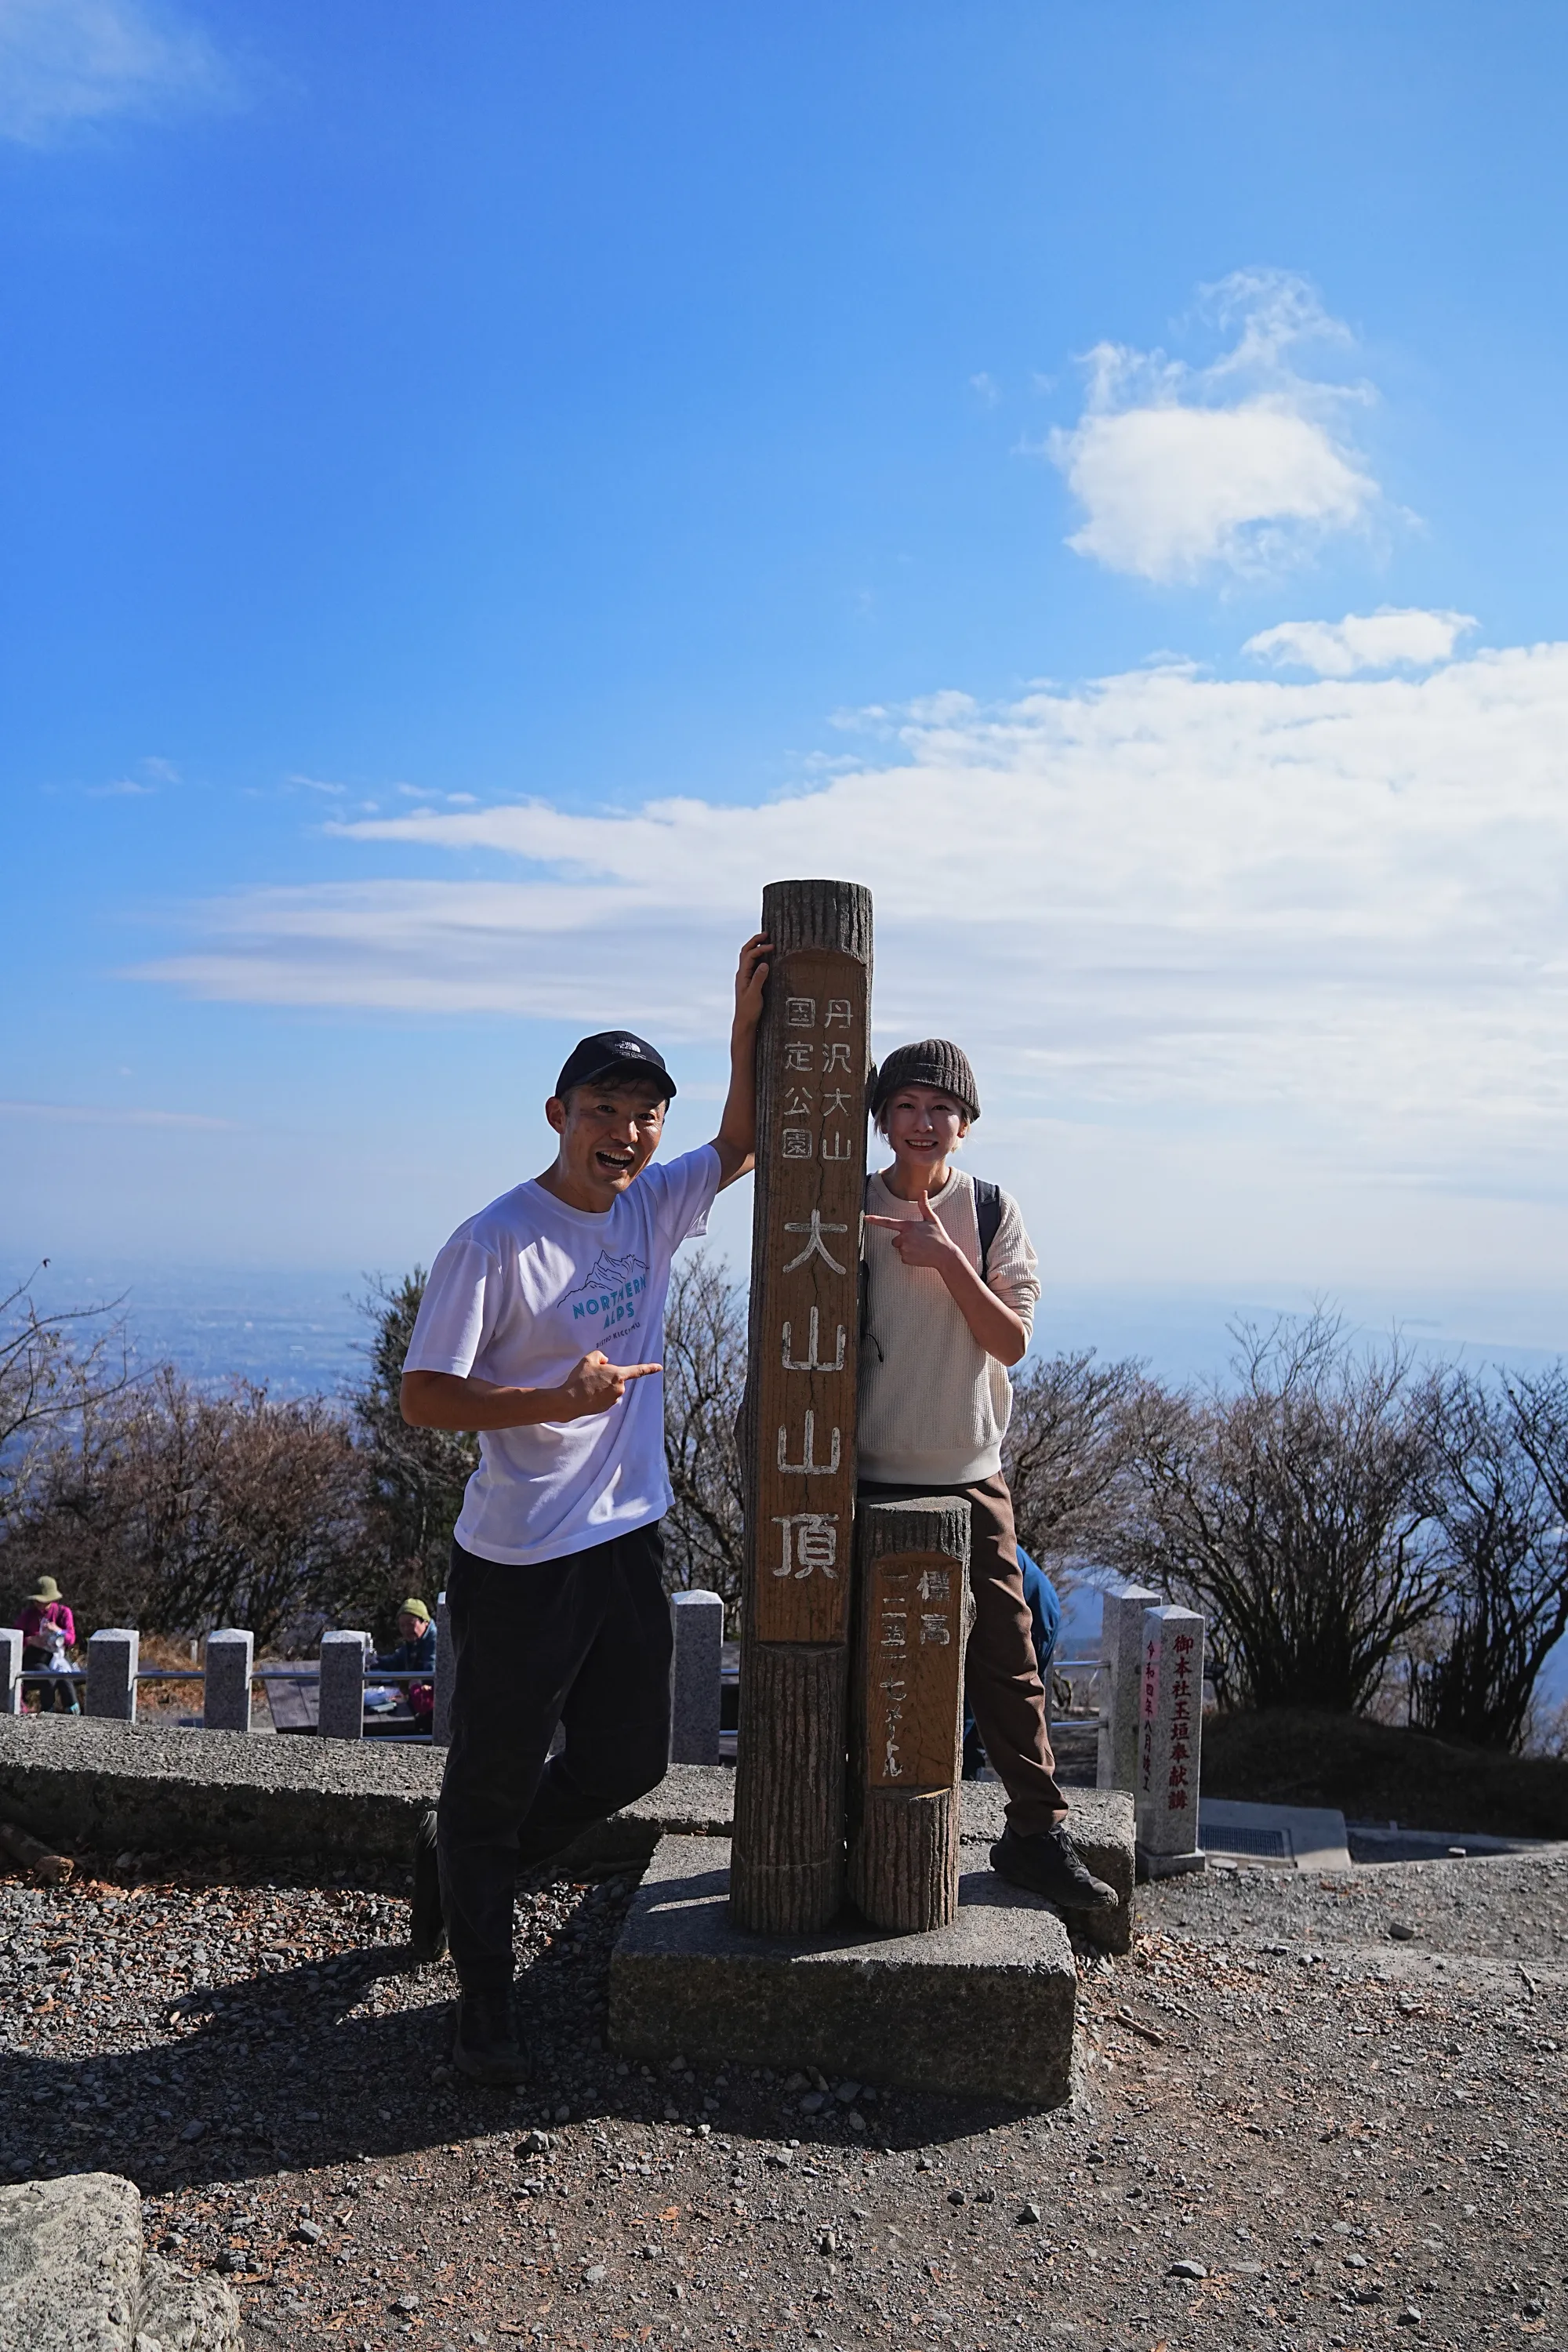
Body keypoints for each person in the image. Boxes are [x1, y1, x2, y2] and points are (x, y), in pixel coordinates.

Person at [399, 935, 768, 2084]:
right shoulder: (496, 1239)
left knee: (625, 1763)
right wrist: (552, 1396)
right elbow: (422, 1395)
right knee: (492, 1777)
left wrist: (743, 1026)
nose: (631, 1131)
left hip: (625, 1536)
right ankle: (484, 2004)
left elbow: (744, 1144)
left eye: (647, 1113)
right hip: (517, 1557)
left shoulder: (651, 1207)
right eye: (607, 1108)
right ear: (557, 1112)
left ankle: (471, 1868)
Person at [860, 1040, 1116, 1913]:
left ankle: (1035, 1834)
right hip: (864, 1472)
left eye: (941, 1109)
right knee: (862, 1659)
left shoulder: (994, 1212)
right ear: (883, 1119)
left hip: (971, 1471)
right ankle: (853, 1826)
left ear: (964, 1126)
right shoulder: (847, 1207)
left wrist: (947, 1262)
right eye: (906, 1106)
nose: (923, 1123)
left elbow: (1009, 1341)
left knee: (1006, 1656)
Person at [962, 1544, 1060, 1780]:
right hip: (1026, 1608)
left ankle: (1039, 1802)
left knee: (1008, 1722)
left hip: (1030, 1618)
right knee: (974, 1728)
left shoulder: (975, 1537)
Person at [369, 1599, 437, 1728]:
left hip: (432, 1706)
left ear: (425, 1622)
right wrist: (374, 1661)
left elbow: (430, 1671)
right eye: (402, 1625)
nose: (406, 1629)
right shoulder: (414, 1642)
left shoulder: (434, 1641)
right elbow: (396, 1661)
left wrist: (411, 1689)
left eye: (410, 1624)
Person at [19, 1575, 79, 1715]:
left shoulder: (63, 1613)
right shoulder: (28, 1615)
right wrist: (31, 1640)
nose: (40, 1604)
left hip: (58, 1655)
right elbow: (15, 1635)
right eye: (37, 1601)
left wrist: (58, 1631)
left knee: (65, 1678)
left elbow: (71, 1639)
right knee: (48, 1678)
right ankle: (48, 1712)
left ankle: (74, 1713)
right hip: (35, 1657)